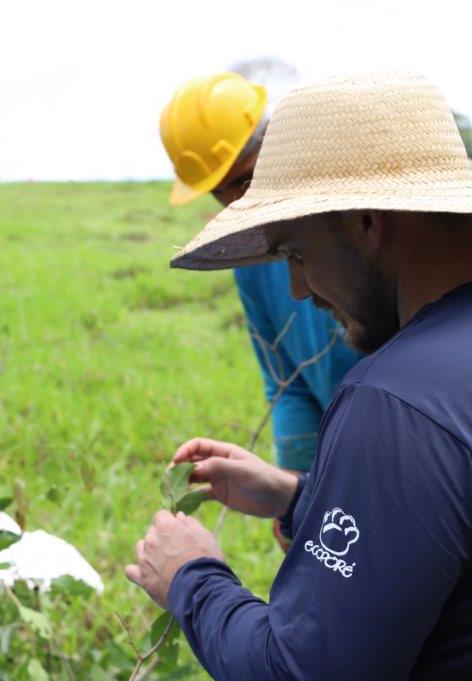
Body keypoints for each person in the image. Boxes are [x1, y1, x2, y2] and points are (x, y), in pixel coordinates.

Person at [127, 71, 472, 678]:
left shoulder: (396, 401)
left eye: (296, 252)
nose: (297, 288)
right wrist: (305, 497)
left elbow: (303, 669)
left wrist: (194, 579)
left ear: (367, 222)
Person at [160, 73, 362, 479]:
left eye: (246, 179)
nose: (240, 202)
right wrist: (298, 485)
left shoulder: (357, 228)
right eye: (221, 191)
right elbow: (286, 381)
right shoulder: (252, 267)